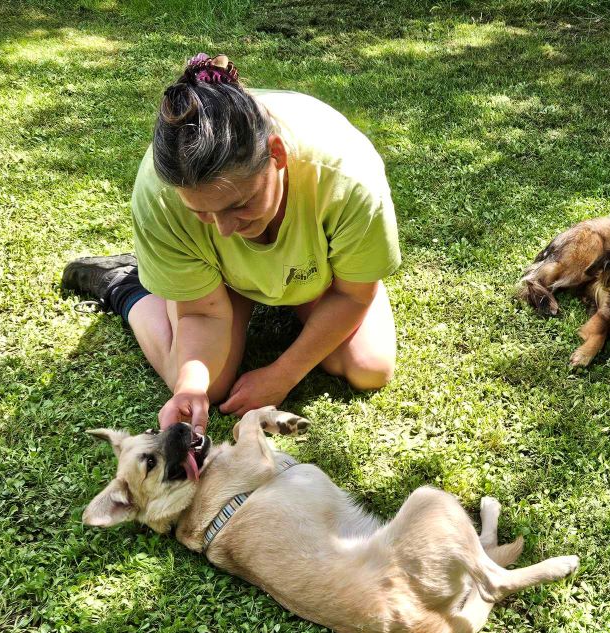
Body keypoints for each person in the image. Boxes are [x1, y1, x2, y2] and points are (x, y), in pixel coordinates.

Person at [62, 54, 399, 436]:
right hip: (220, 281)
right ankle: (125, 285)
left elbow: (353, 295)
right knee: (205, 384)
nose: (224, 230)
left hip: (317, 275)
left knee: (370, 367)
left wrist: (282, 375)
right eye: (202, 213)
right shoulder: (160, 194)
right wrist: (190, 385)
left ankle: (290, 295)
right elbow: (198, 314)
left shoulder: (347, 175)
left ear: (277, 155)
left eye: (240, 205)